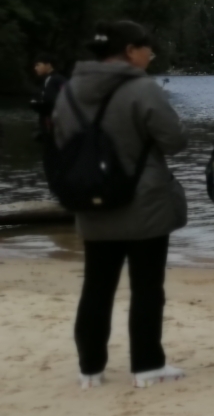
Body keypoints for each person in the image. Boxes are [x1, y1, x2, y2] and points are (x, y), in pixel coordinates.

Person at [52, 21, 188, 388]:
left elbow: (61, 140)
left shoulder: (68, 90)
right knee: (147, 287)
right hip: (144, 203)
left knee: (96, 285)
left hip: (91, 201)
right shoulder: (142, 88)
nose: (151, 55)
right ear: (130, 51)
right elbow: (175, 140)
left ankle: (90, 368)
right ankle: (146, 365)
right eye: (148, 48)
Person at [29, 57, 66, 143]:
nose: (35, 68)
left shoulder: (58, 79)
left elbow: (65, 99)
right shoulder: (46, 80)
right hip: (46, 122)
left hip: (54, 124)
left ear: (48, 65)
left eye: (38, 65)